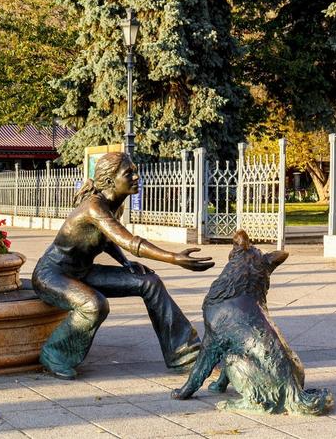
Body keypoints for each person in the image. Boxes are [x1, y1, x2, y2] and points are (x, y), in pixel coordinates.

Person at [32, 152, 214, 380]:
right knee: (94, 304)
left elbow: (107, 240)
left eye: (135, 171)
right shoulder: (94, 208)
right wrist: (174, 258)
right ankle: (55, 354)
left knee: (150, 283)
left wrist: (126, 263)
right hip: (52, 275)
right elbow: (129, 241)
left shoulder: (114, 205)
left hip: (82, 272)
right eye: (129, 173)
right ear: (109, 182)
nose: (137, 176)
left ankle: (185, 354)